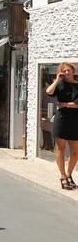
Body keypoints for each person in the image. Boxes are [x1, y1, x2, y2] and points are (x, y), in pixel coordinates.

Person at [45, 62, 78, 190]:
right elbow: (49, 91)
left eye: (68, 70)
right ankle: (63, 176)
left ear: (73, 71)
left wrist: (65, 104)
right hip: (62, 120)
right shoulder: (59, 85)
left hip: (75, 120)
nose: (66, 73)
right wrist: (57, 80)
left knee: (75, 152)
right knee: (60, 149)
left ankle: (69, 175)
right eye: (64, 71)